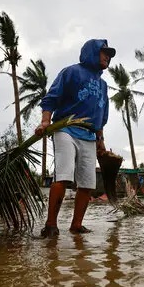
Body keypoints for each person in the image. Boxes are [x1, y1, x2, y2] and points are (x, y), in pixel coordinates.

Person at [35, 39, 116, 236]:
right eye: (104, 52)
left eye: (110, 55)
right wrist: (45, 121)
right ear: (92, 52)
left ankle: (76, 225)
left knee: (88, 183)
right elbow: (51, 98)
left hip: (89, 135)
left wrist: (101, 142)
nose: (108, 57)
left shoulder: (103, 85)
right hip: (66, 129)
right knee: (63, 175)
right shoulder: (71, 72)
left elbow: (101, 117)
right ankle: (51, 225)